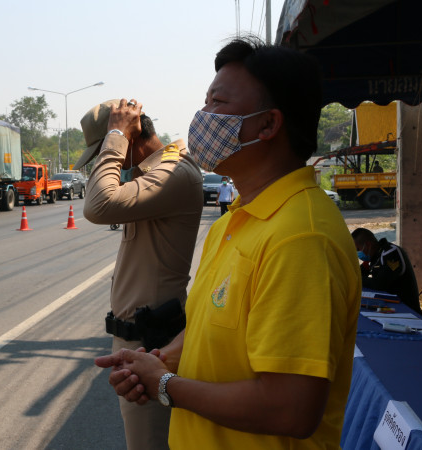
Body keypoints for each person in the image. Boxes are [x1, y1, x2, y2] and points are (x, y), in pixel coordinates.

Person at [95, 37, 361, 448]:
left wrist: (166, 386)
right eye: (205, 103)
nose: (202, 117)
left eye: (217, 104)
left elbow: (290, 408)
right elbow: (209, 328)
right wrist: (160, 360)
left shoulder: (300, 238)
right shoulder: (234, 220)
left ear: (268, 124)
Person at [77, 99, 203, 449]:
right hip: (140, 339)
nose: (108, 162)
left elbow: (98, 206)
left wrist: (114, 136)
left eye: (106, 152)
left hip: (155, 341)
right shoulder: (152, 174)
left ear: (130, 138)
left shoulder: (174, 171)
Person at [352, 227, 421, 314]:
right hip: (388, 306)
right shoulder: (375, 256)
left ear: (368, 245)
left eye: (358, 249)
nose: (357, 253)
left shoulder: (391, 253)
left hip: (406, 310)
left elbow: (379, 284)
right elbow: (359, 274)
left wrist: (354, 278)